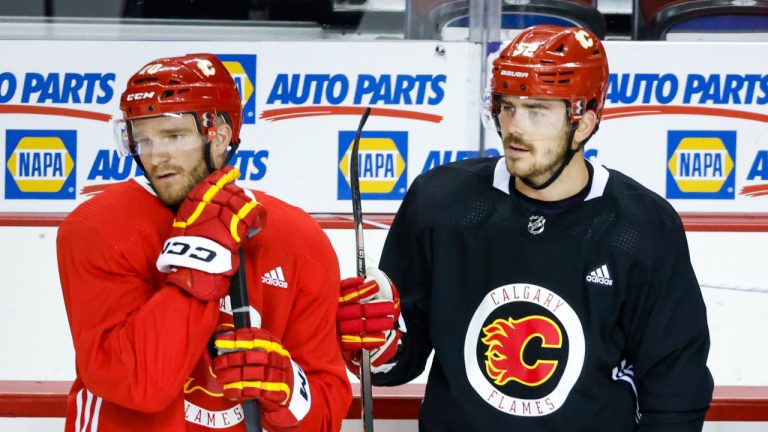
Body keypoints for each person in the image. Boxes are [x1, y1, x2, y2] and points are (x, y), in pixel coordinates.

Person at [337, 25, 714, 431]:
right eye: (508, 106)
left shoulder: (639, 228)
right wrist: (381, 342)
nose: (515, 126)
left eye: (536, 110)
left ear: (583, 123)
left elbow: (676, 389)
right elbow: (400, 362)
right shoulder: (441, 203)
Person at [57, 53, 351, 432]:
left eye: (173, 135)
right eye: (142, 138)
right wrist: (200, 258)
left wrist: (289, 390)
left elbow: (326, 414)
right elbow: (137, 384)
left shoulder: (299, 240)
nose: (156, 154)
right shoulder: (98, 228)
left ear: (221, 135)